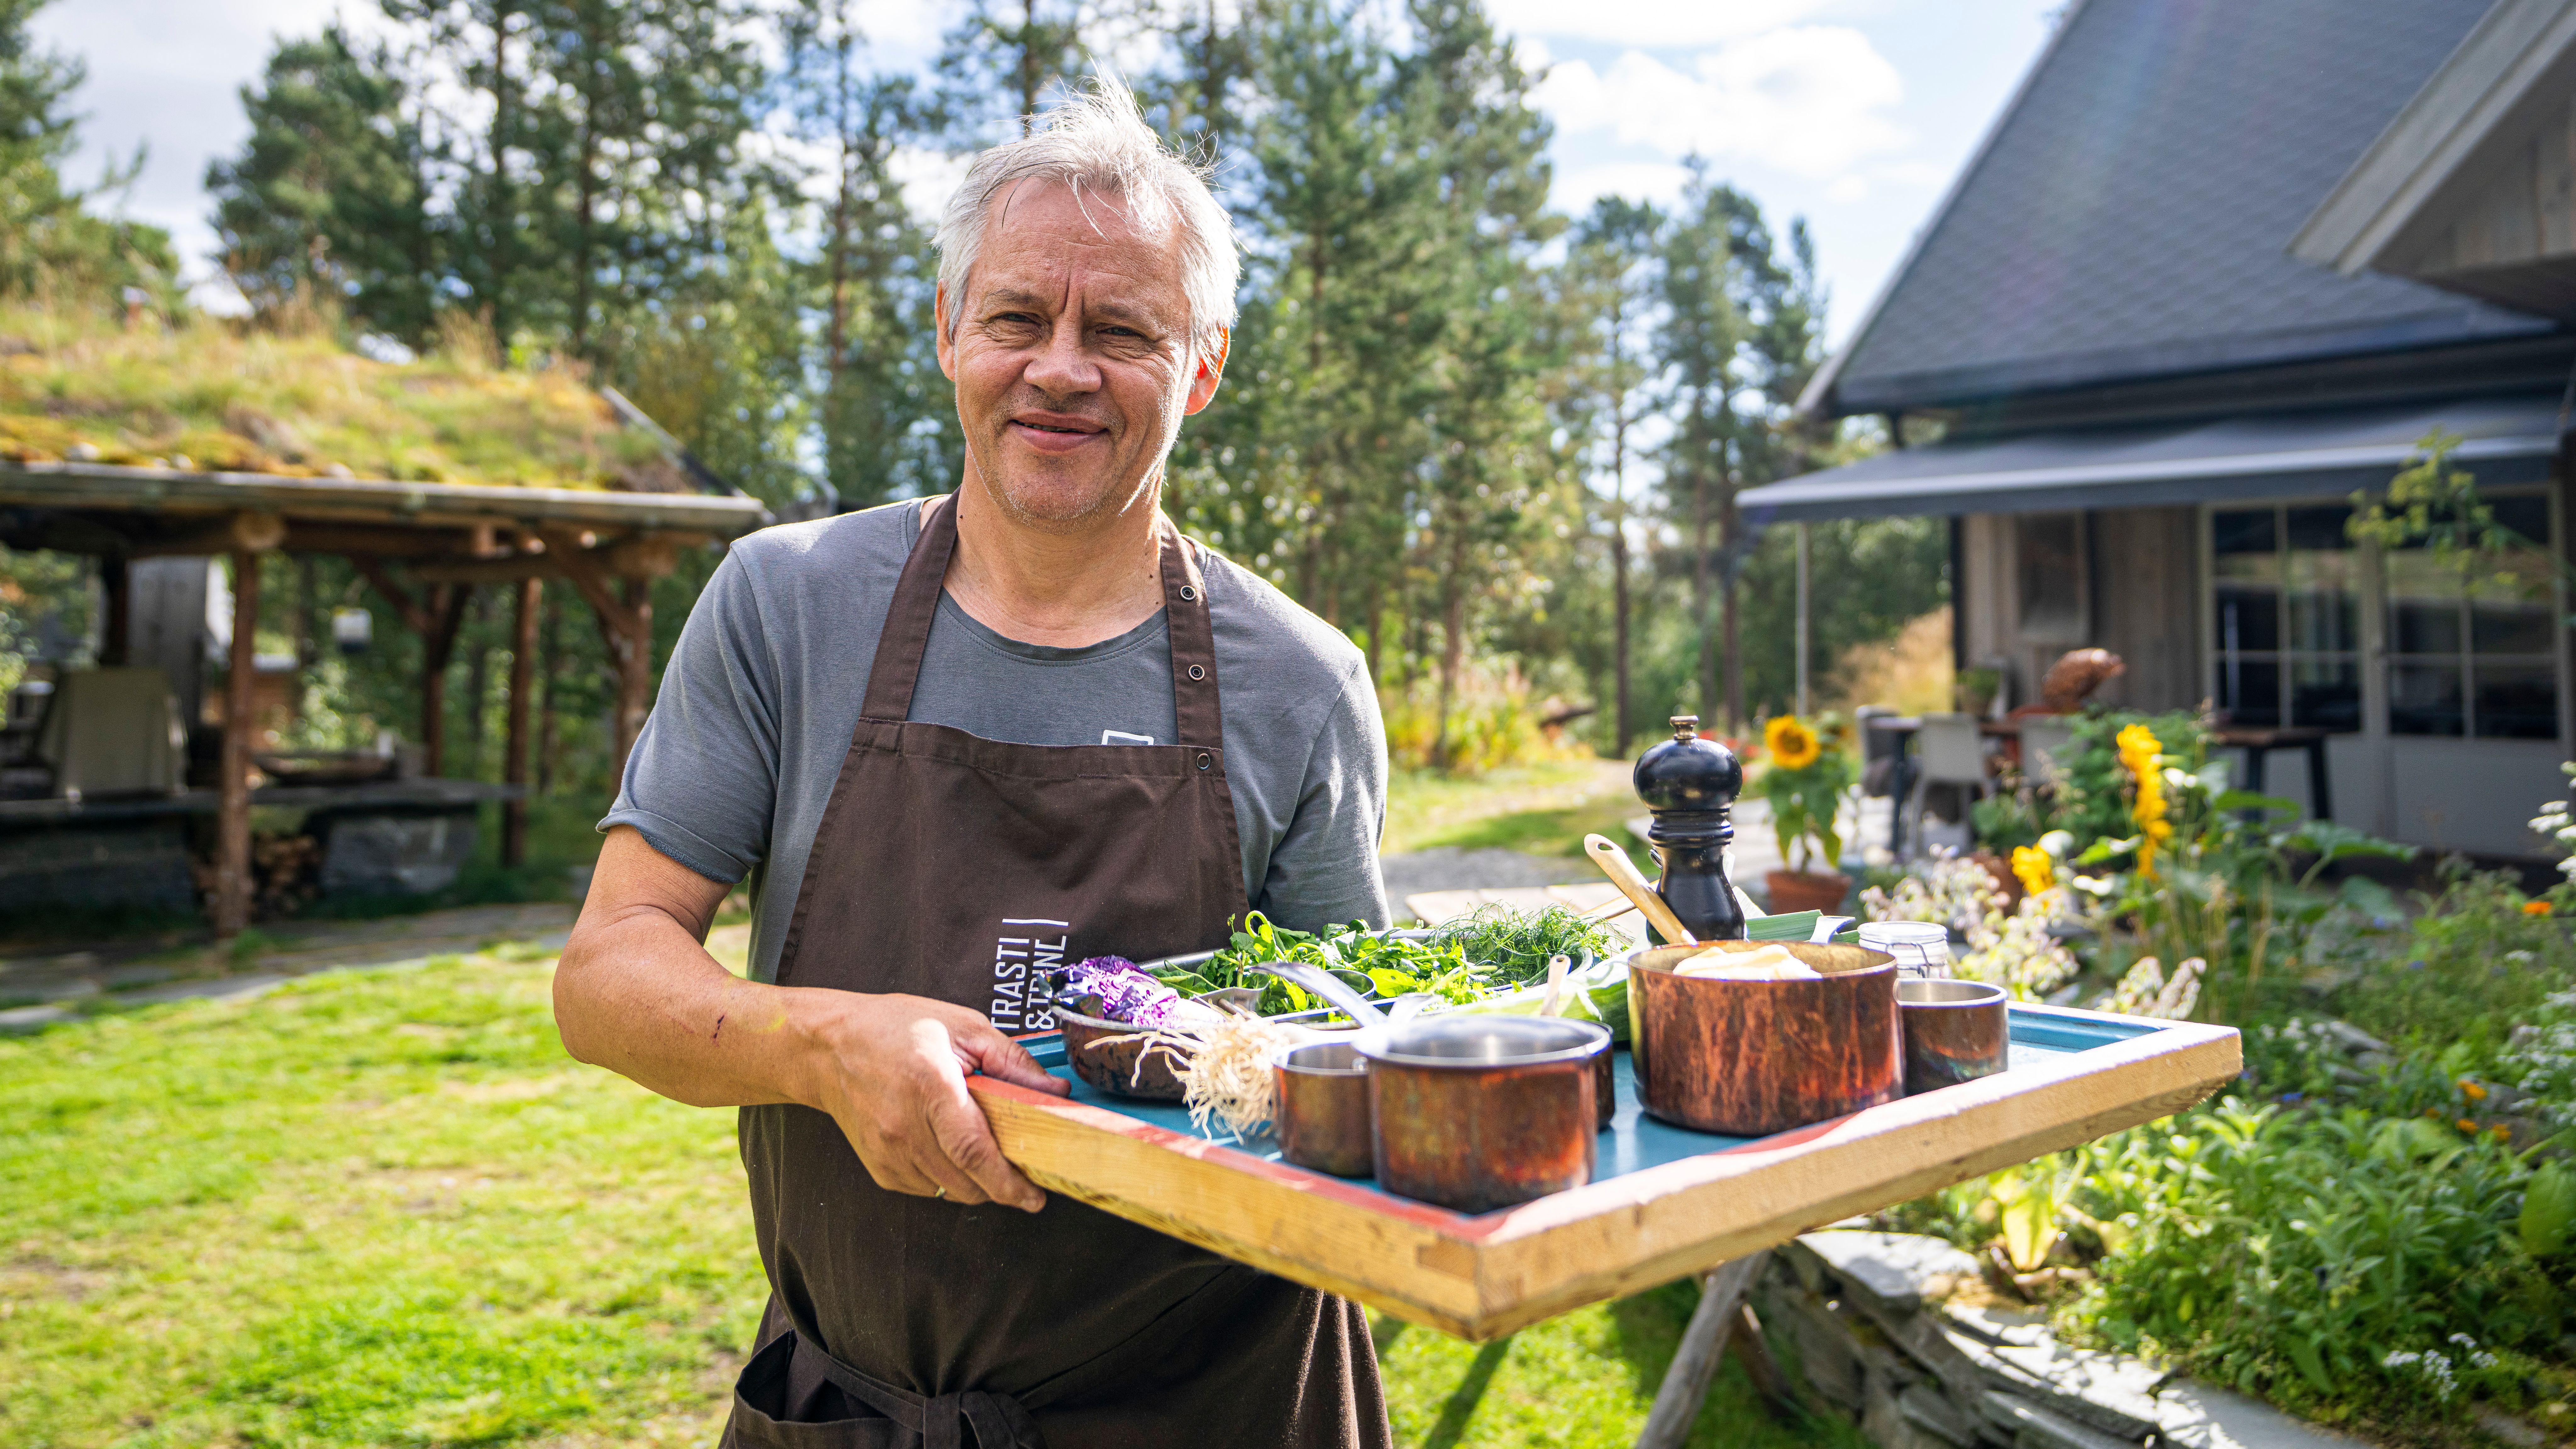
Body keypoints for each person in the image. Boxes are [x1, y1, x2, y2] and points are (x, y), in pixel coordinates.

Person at [552, 76, 1394, 1449]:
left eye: (1121, 329)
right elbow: (604, 975)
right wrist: (825, 1047)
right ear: (948, 332)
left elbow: (1352, 1061)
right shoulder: (789, 604)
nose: (1059, 367)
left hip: (1217, 1405)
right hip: (855, 1407)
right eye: (1016, 316)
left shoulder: (1299, 679)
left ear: (1203, 366)